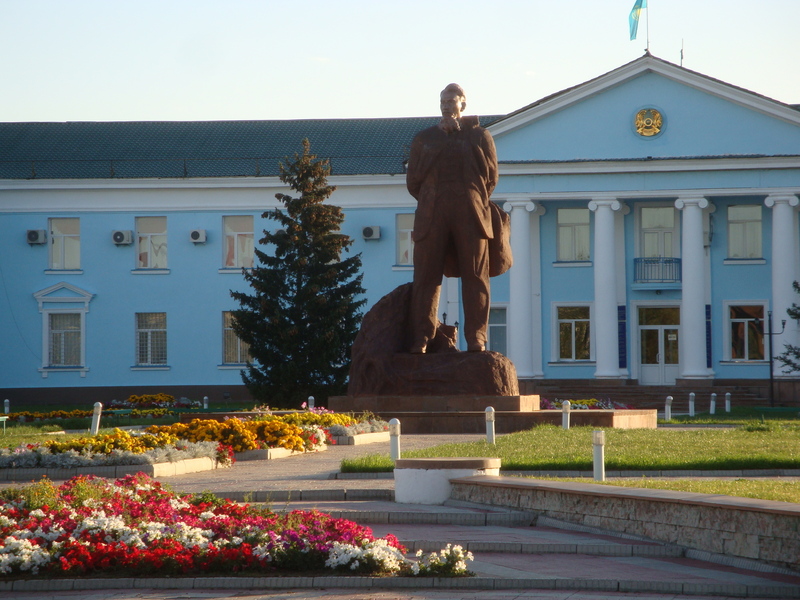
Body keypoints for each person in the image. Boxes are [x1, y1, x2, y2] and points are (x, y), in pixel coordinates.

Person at [406, 83, 499, 353]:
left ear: (463, 104)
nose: (446, 105)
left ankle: (476, 338)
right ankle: (422, 337)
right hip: (432, 213)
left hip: (469, 214)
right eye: (442, 101)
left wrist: (470, 199)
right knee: (426, 276)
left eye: (451, 101)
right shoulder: (425, 138)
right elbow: (413, 181)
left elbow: (490, 178)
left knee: (476, 276)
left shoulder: (480, 136)